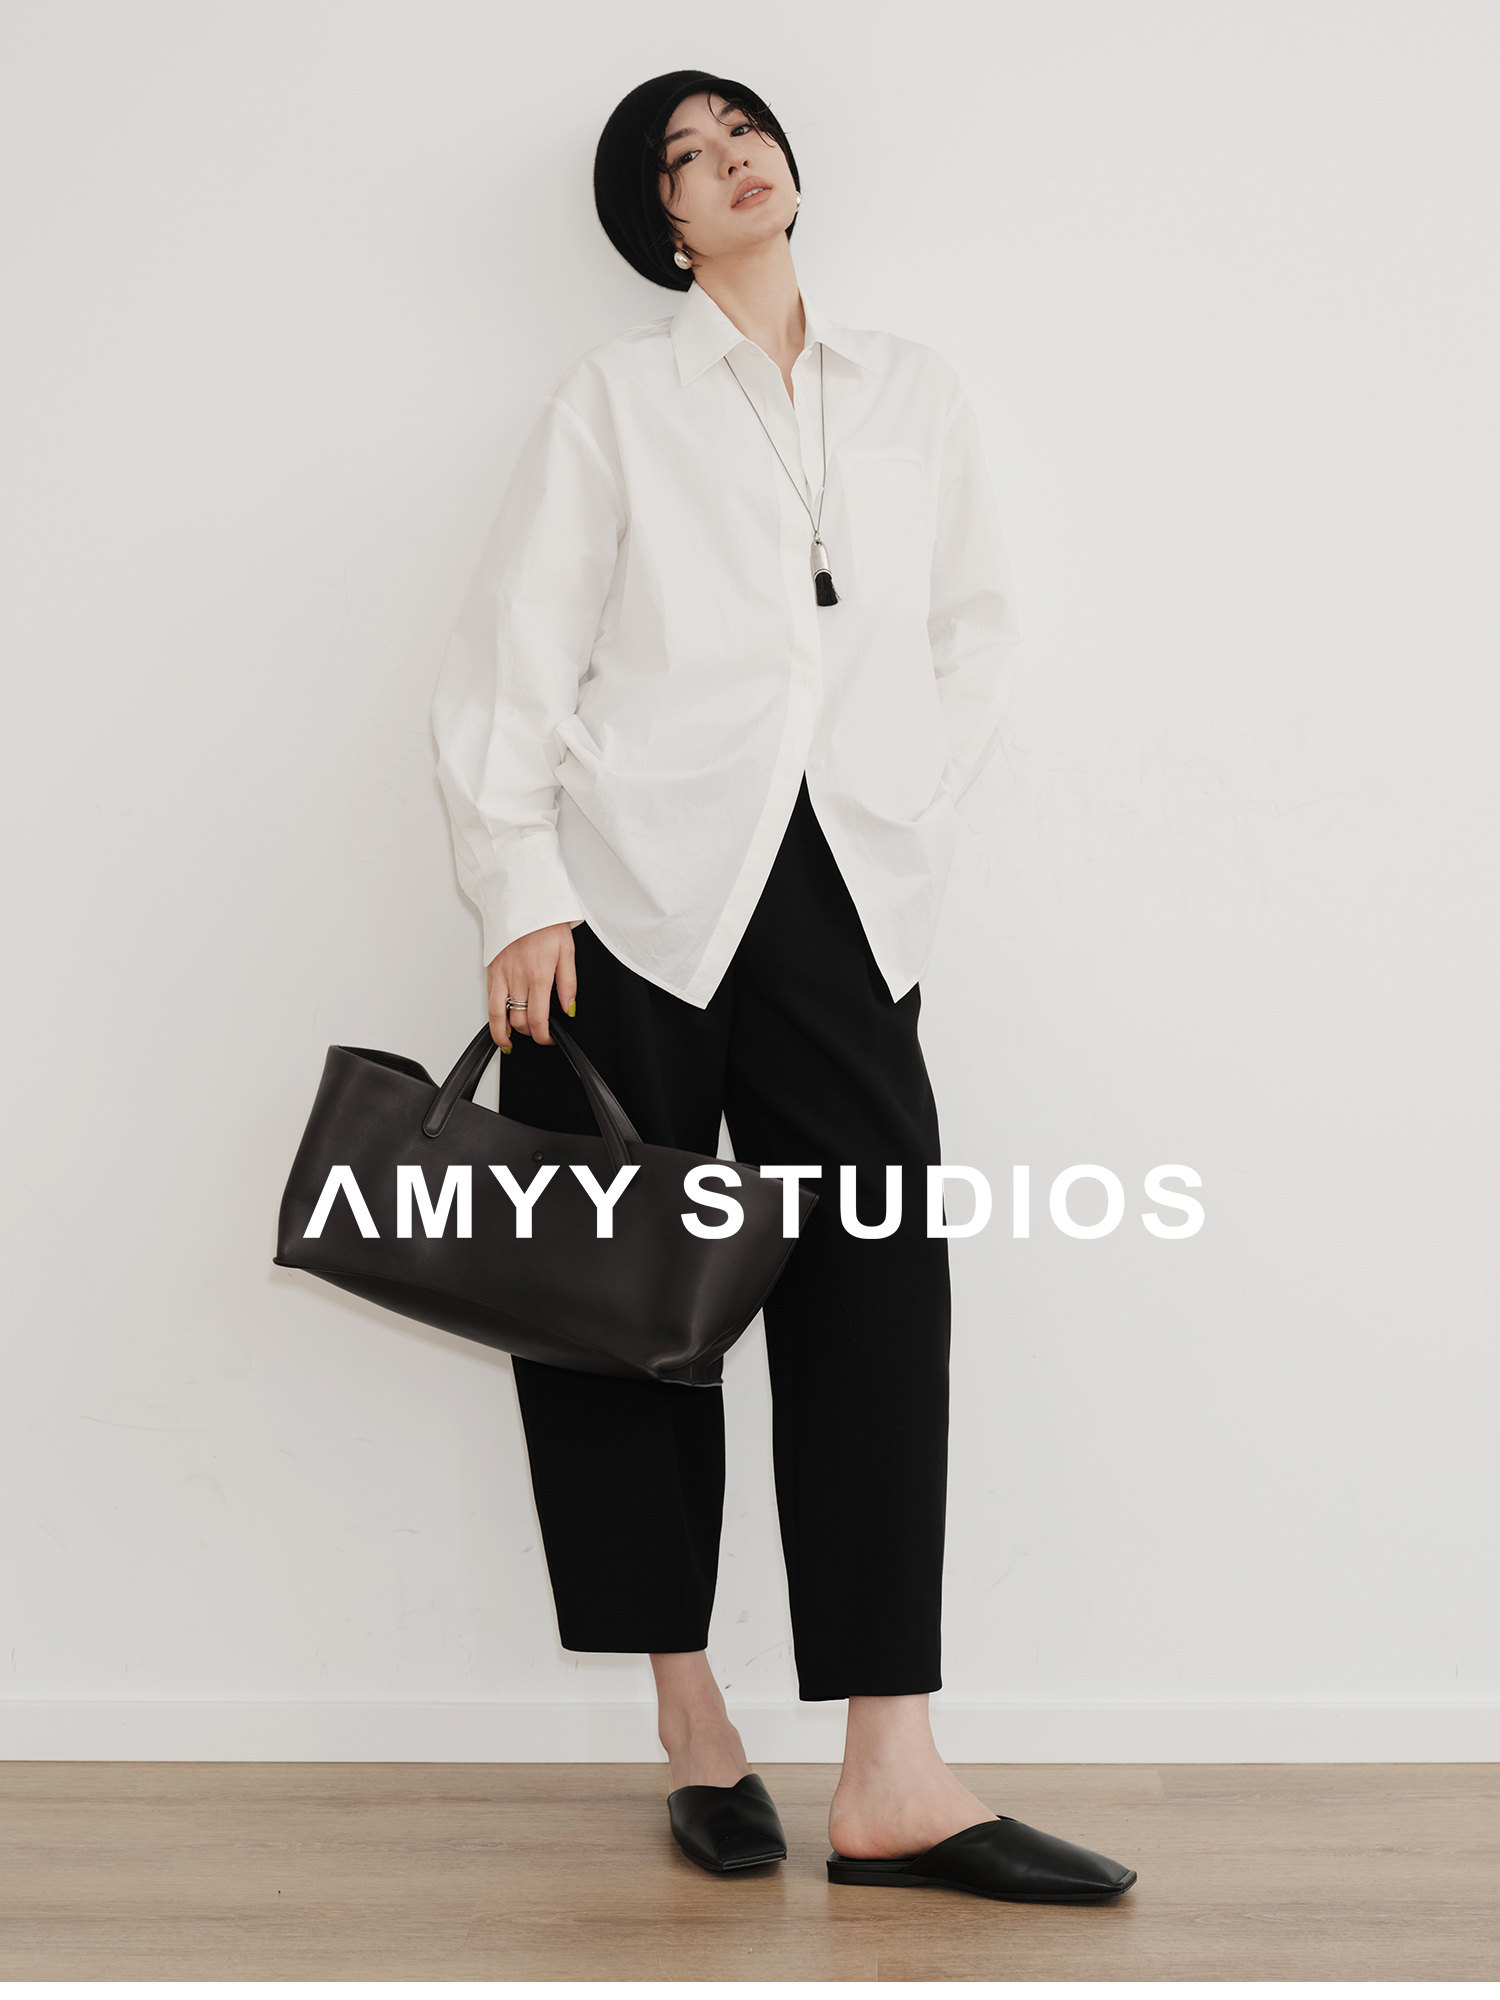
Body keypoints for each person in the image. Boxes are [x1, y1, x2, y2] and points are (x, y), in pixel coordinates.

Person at [430, 68, 1136, 1905]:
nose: (729, 155)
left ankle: (894, 1773)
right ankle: (693, 1721)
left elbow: (978, 630)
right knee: (620, 1313)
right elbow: (514, 657)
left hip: (843, 897)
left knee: (877, 1294)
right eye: (684, 154)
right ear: (661, 226)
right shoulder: (613, 399)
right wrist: (519, 892)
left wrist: (900, 814)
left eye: (741, 126)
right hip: (625, 907)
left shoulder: (912, 389)